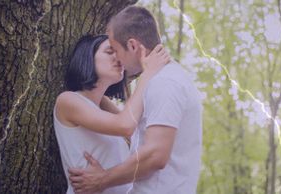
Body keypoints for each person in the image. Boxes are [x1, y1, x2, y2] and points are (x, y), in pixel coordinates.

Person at [69, 6, 203, 194]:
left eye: (115, 50)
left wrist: (101, 180)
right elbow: (131, 126)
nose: (116, 58)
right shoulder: (163, 79)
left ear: (132, 46)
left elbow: (155, 155)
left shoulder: (164, 83)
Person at [54, 34, 169, 194]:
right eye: (109, 52)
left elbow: (145, 142)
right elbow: (126, 126)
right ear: (88, 58)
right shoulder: (68, 100)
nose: (119, 58)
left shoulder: (103, 105)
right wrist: (148, 75)